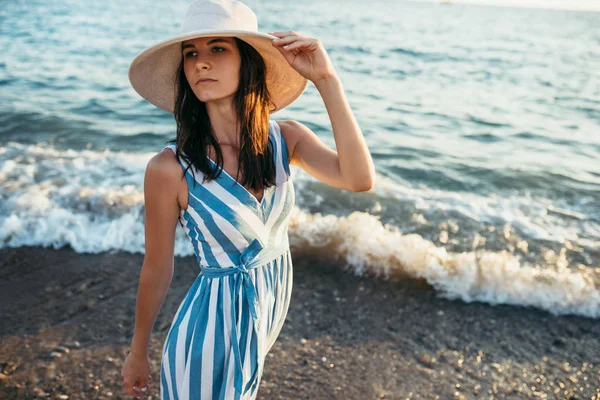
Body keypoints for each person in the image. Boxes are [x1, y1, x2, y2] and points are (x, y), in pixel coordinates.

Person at [121, 0, 375, 398]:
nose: (200, 63)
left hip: (260, 326)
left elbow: (359, 179)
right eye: (191, 53)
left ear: (248, 62)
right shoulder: (170, 169)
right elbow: (157, 267)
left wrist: (327, 79)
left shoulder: (285, 139)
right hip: (205, 340)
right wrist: (138, 352)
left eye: (218, 48)